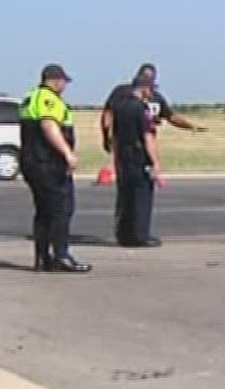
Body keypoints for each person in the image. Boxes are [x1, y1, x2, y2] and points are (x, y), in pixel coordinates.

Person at [18, 64, 90, 273]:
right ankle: (61, 255)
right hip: (47, 163)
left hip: (32, 161)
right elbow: (49, 126)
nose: (65, 86)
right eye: (64, 82)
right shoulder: (47, 98)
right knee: (61, 209)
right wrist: (67, 153)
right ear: (56, 81)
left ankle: (43, 258)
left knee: (44, 211)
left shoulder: (30, 97)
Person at [100, 63, 204, 166]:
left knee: (146, 174)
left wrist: (190, 126)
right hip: (125, 144)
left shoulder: (156, 97)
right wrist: (106, 137)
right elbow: (108, 114)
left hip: (146, 145)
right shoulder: (121, 92)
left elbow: (170, 116)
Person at [106, 75, 165, 247]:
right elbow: (147, 136)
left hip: (123, 154)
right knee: (141, 195)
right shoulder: (141, 108)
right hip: (138, 154)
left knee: (125, 195)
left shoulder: (119, 106)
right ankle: (140, 235)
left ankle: (123, 234)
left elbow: (113, 133)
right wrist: (155, 163)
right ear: (145, 88)